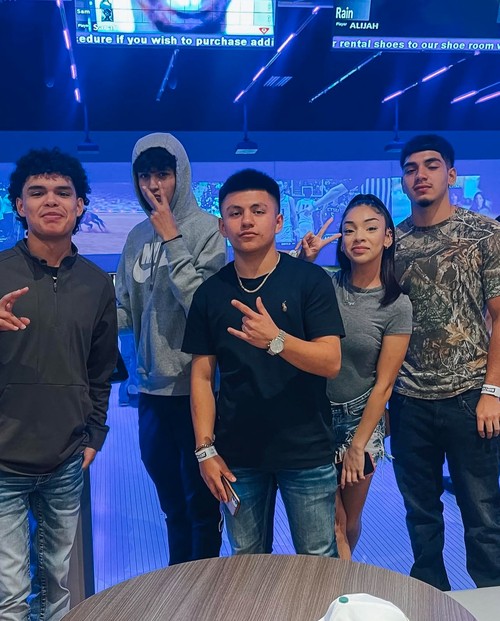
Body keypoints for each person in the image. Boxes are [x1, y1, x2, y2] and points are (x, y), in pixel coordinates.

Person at [182, 168, 344, 557]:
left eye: (258, 210)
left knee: (318, 561)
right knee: (246, 562)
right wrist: (205, 450)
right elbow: (202, 378)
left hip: (306, 449)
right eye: (235, 213)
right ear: (222, 225)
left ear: (279, 220)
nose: (247, 221)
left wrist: (276, 340)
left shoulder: (310, 281)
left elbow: (330, 361)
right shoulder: (210, 293)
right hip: (237, 454)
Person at [0, 148, 118, 620]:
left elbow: (100, 370)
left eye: (62, 192)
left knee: (56, 590)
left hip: (66, 457)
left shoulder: (96, 284)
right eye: (37, 192)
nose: (51, 200)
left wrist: (95, 434)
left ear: (80, 205)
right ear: (19, 205)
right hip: (3, 459)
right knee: (10, 597)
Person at [390, 134, 500, 590]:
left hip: (470, 396)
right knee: (421, 517)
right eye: (411, 168)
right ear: (403, 180)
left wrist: (493, 391)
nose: (421, 175)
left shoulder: (485, 233)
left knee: (483, 516)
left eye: (431, 165)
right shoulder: (393, 243)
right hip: (408, 401)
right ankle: (429, 601)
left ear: (451, 174)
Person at [115, 132, 225, 565]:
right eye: (145, 177)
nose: (154, 186)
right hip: (151, 394)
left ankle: (207, 592)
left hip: (196, 391)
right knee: (172, 507)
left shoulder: (207, 230)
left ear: (181, 174)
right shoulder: (135, 237)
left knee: (202, 508)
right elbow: (126, 310)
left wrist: (172, 239)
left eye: (163, 174)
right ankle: (178, 588)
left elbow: (204, 308)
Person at [300, 194, 412, 559]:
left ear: (388, 237)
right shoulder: (324, 286)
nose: (358, 237)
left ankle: (341, 582)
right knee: (331, 523)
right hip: (315, 416)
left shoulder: (396, 305)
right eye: (349, 230)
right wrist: (304, 261)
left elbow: (384, 384)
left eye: (370, 228)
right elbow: (283, 299)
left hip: (360, 418)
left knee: (349, 521)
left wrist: (357, 446)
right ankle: (341, 589)